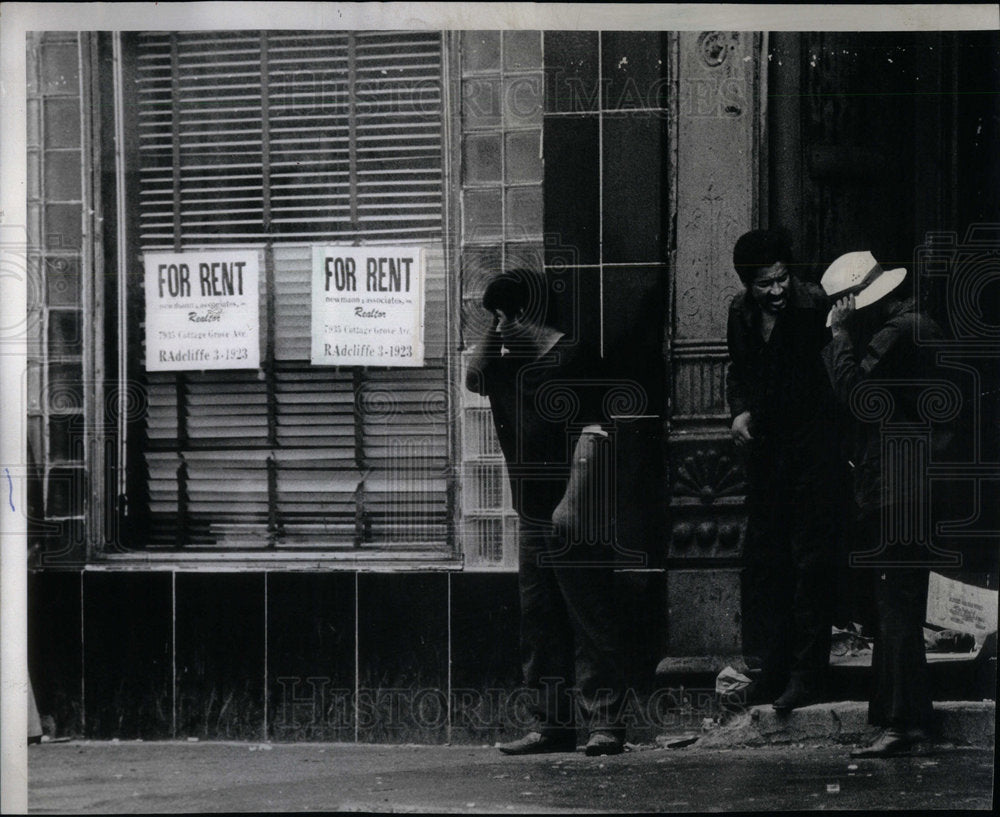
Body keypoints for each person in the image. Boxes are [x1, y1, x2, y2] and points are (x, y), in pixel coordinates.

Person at [465, 268, 625, 756]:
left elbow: (596, 432)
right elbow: (473, 377)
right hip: (531, 512)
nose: (494, 327)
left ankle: (606, 725)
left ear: (521, 315)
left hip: (574, 509)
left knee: (589, 617)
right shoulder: (505, 364)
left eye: (500, 316)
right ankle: (551, 723)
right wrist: (497, 328)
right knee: (539, 620)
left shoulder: (573, 358)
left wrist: (571, 505)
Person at [821, 251, 944, 757]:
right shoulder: (919, 325)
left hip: (899, 484)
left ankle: (899, 723)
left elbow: (856, 396)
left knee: (894, 602)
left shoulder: (896, 334)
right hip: (911, 479)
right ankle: (906, 717)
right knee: (901, 601)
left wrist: (839, 337)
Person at [725, 229, 843, 713]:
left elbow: (834, 378)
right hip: (769, 457)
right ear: (747, 284)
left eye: (781, 280)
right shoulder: (740, 312)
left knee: (810, 564)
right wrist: (740, 410)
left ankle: (806, 676)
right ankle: (771, 673)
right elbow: (741, 372)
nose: (776, 291)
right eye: (764, 284)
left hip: (815, 454)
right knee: (768, 563)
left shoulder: (814, 306)